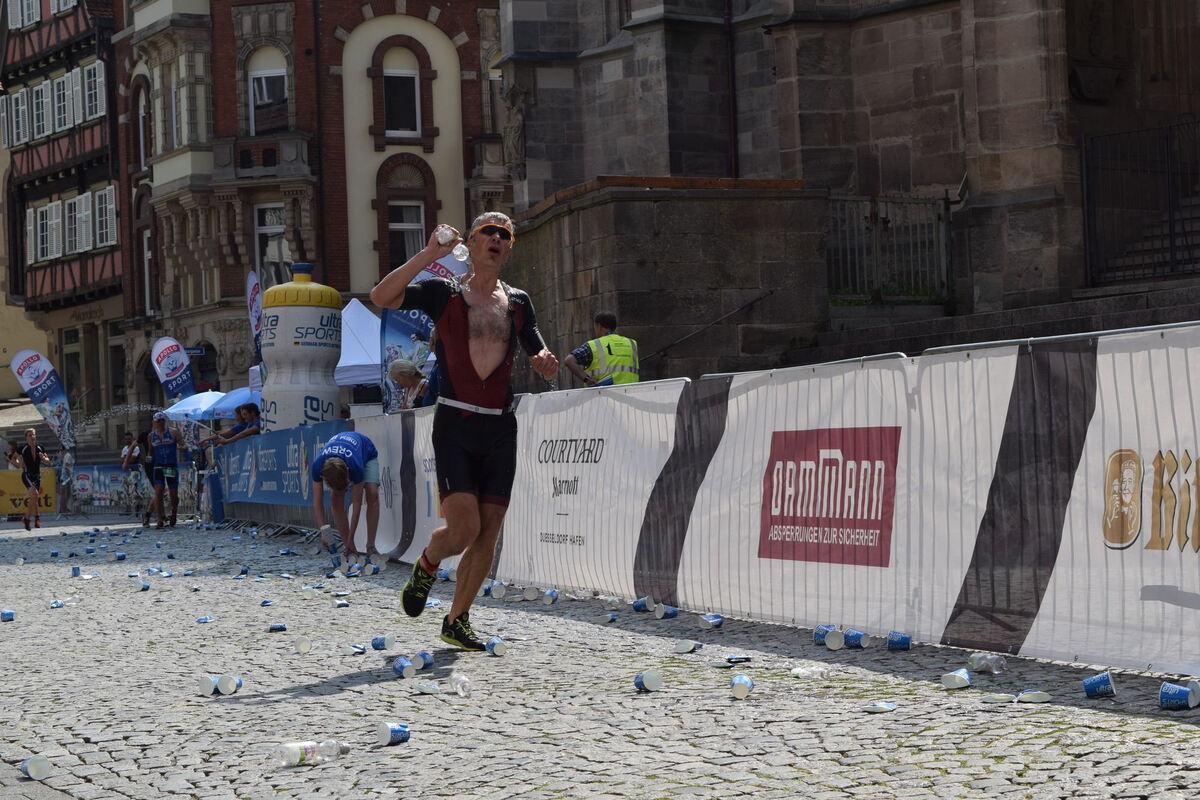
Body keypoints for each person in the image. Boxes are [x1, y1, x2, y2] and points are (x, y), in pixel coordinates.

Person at [370, 211, 559, 651]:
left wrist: (545, 359)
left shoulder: (517, 301)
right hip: (455, 420)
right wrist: (431, 253)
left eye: (504, 234)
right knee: (463, 529)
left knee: (489, 532)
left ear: (509, 248)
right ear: (471, 246)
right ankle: (428, 562)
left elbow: (534, 342)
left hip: (499, 428)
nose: (496, 238)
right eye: (487, 232)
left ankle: (457, 620)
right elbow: (382, 295)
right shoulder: (443, 292)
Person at [310, 431, 380, 559]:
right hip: (342, 455)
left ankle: (371, 546)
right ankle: (350, 547)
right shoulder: (317, 465)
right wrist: (324, 532)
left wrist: (350, 537)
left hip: (366, 451)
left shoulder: (356, 466)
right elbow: (317, 501)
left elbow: (356, 503)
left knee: (372, 493)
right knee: (335, 498)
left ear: (348, 472)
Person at [564, 310, 640, 387]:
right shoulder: (632, 343)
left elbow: (569, 360)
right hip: (630, 394)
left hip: (603, 396)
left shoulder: (594, 345)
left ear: (599, 326)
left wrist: (587, 379)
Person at [149, 411, 184, 528]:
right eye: (158, 421)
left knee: (173, 493)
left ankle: (174, 513)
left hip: (170, 465)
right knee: (158, 491)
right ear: (154, 422)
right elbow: (150, 451)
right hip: (158, 465)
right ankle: (159, 519)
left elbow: (183, 444)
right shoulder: (151, 436)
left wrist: (181, 447)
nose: (161, 423)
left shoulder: (173, 432)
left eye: (162, 420)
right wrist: (149, 460)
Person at [17, 428, 50, 530]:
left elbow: (47, 461)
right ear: (26, 438)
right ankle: (27, 518)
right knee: (35, 494)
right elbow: (16, 459)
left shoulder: (40, 448)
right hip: (27, 475)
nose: (32, 437)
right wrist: (20, 462)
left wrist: (44, 459)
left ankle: (36, 518)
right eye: (30, 435)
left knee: (34, 498)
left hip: (37, 476)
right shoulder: (22, 448)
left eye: (34, 435)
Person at [119, 432, 142, 515]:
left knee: (135, 490)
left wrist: (126, 458)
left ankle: (138, 508)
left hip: (135, 472)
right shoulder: (125, 448)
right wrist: (127, 458)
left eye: (129, 439)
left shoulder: (136, 448)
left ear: (132, 438)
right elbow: (121, 460)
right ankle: (128, 509)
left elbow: (133, 459)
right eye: (126, 439)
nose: (128, 440)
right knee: (127, 491)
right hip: (127, 473)